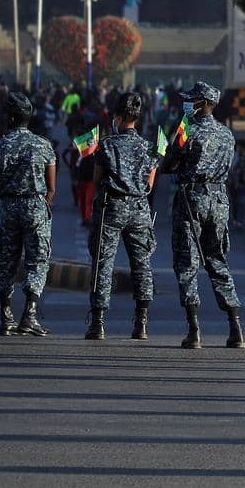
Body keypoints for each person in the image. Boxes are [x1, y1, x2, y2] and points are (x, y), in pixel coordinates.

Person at [160, 81, 245, 350]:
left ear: (203, 103)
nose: (188, 104)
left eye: (192, 100)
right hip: (219, 200)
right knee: (217, 260)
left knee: (188, 262)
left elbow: (169, 163)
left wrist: (169, 147)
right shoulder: (228, 135)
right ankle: (236, 328)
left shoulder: (188, 129)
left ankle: (194, 329)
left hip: (191, 198)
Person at [84, 92, 159, 342]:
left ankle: (98, 323)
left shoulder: (106, 145)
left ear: (117, 117)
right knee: (142, 265)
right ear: (137, 119)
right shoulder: (149, 147)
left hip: (111, 207)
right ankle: (142, 323)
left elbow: (96, 181)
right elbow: (150, 184)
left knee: (103, 264)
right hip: (139, 209)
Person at [0, 93, 57, 337]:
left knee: (6, 259)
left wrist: (9, 197)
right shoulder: (43, 145)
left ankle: (6, 316)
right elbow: (52, 186)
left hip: (9, 206)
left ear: (9, 118)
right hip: (36, 206)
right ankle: (30, 314)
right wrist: (44, 201)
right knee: (37, 260)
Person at [228, 139, 245, 230]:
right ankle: (235, 219)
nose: (240, 149)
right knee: (234, 202)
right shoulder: (233, 156)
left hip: (244, 183)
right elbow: (230, 168)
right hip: (233, 183)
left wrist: (244, 160)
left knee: (241, 202)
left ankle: (239, 221)